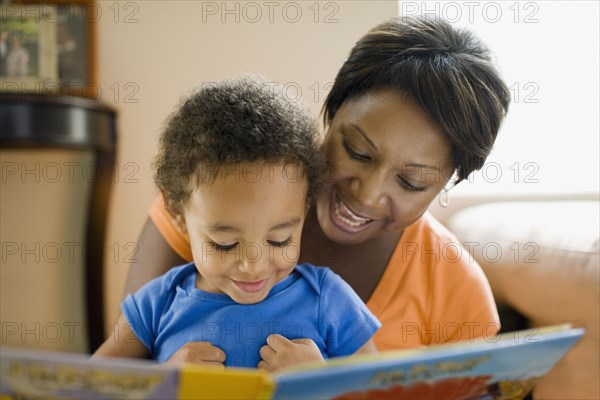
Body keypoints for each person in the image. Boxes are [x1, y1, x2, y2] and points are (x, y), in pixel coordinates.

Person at [123, 15, 510, 364]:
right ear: (331, 112)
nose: (368, 194)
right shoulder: (213, 206)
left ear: (447, 184)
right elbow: (119, 372)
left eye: (411, 182)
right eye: (357, 151)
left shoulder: (453, 284)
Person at [93, 76, 380, 370]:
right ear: (177, 214)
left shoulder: (328, 299)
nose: (253, 266)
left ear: (304, 209)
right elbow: (83, 387)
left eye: (279, 240)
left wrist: (320, 380)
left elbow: (385, 391)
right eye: (225, 244)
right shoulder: (156, 305)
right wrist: (165, 383)